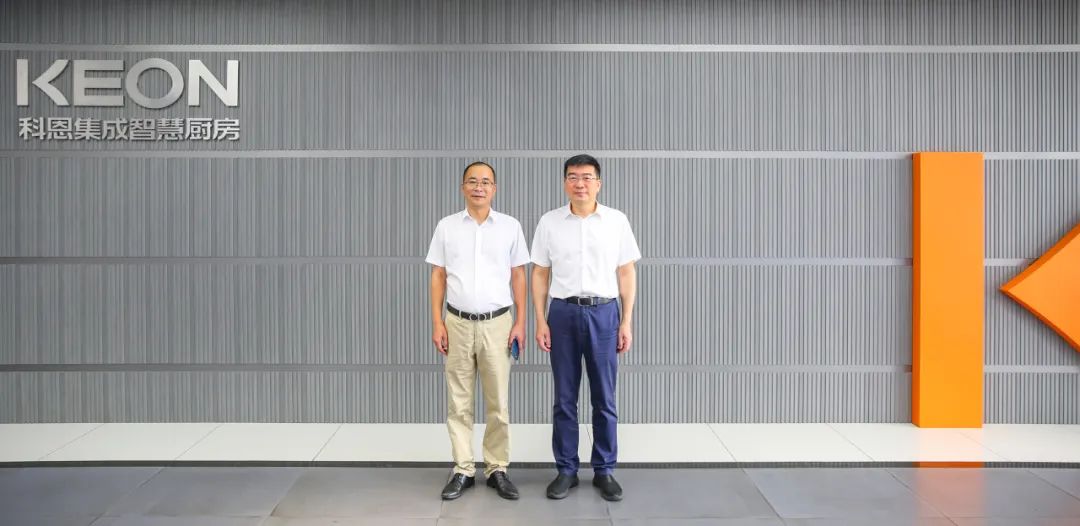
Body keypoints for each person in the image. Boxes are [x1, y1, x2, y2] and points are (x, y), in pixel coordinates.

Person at [530, 154, 641, 502]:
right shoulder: (550, 222)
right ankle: (566, 469)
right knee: (564, 398)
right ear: (565, 182)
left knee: (604, 397)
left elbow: (626, 272)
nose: (580, 183)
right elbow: (540, 273)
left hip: (604, 313)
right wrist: (540, 319)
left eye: (587, 177)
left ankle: (604, 469)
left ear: (598, 183)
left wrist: (626, 320)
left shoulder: (616, 221)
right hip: (562, 313)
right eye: (573, 177)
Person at [427, 161, 529, 500]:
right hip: (456, 322)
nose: (479, 187)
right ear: (463, 188)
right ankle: (463, 469)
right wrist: (437, 322)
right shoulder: (447, 226)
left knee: (498, 401)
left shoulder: (510, 226)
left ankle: (497, 468)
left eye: (485, 182)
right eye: (472, 181)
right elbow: (438, 275)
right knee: (458, 401)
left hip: (498, 324)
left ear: (494, 188)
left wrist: (520, 322)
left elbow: (518, 275)